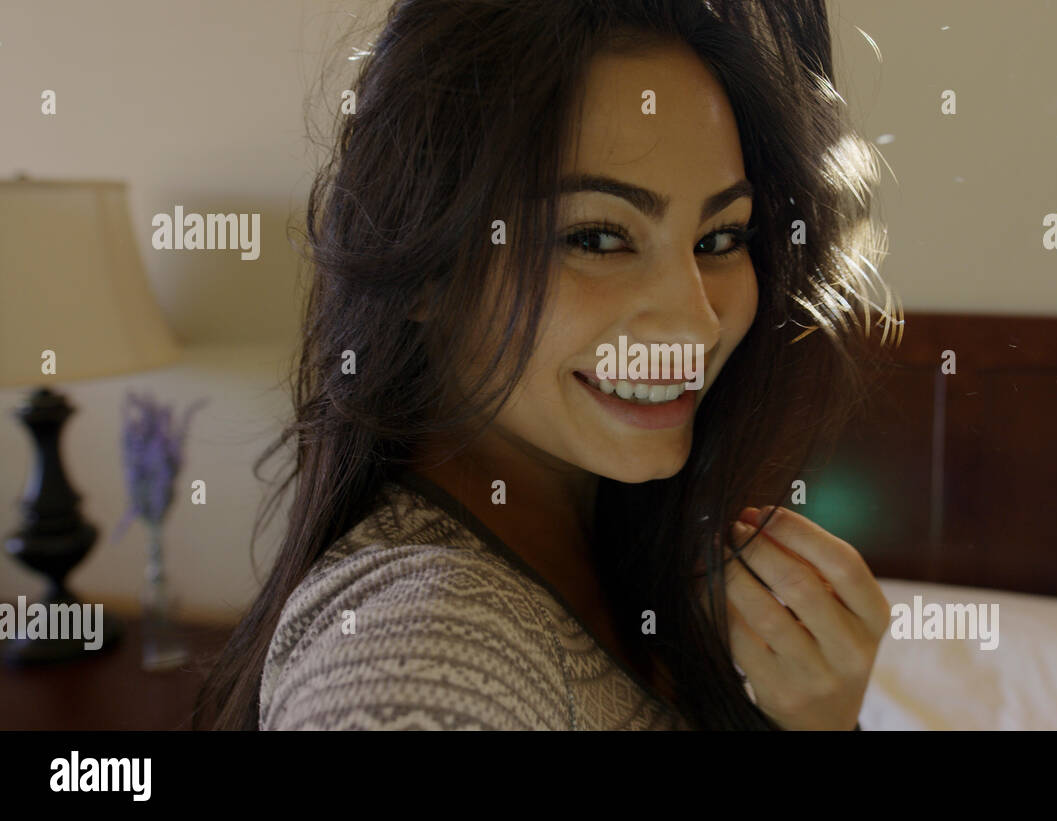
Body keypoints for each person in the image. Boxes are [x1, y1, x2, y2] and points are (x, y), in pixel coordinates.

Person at [195, 0, 902, 731]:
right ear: (426, 274)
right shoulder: (422, 641)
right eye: (596, 237)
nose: (696, 317)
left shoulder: (643, 556)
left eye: (721, 237)